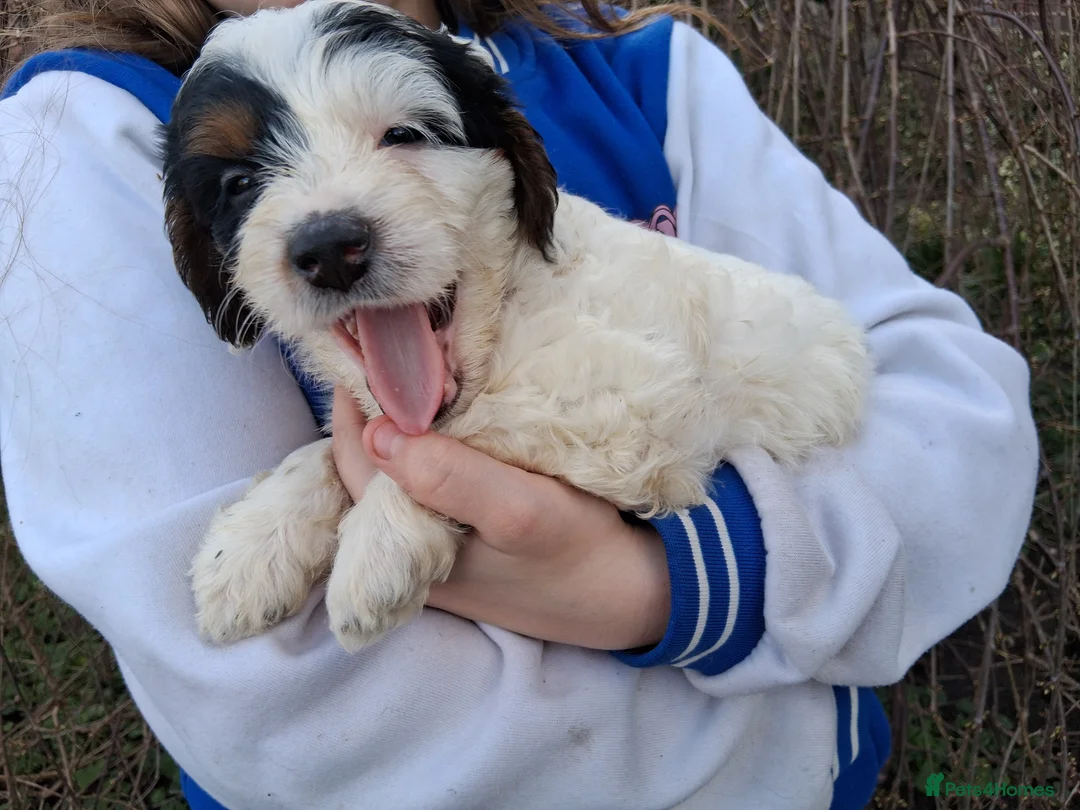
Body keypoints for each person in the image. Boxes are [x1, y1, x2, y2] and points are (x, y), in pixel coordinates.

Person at [0, 0, 1038, 808]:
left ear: (516, 167)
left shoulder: (642, 66)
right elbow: (260, 692)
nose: (326, 225)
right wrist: (804, 702)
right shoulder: (81, 133)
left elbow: (961, 420)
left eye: (404, 132)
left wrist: (657, 587)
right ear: (199, 242)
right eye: (237, 187)